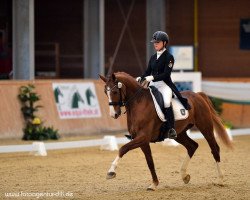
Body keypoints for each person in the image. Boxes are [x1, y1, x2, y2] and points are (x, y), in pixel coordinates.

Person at [136, 31, 191, 140]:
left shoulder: (169, 57)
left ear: (164, 43)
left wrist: (152, 77)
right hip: (153, 85)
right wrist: (141, 77)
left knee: (166, 102)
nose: (155, 44)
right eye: (154, 42)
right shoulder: (152, 57)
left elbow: (166, 74)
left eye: (158, 42)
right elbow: (147, 71)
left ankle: (171, 129)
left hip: (164, 85)